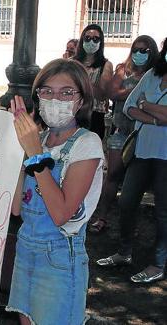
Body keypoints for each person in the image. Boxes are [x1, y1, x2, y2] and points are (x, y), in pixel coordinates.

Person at [6, 59, 104, 324]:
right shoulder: (38, 140)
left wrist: (35, 156)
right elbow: (16, 208)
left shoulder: (87, 144)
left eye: (66, 92)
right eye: (47, 91)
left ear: (81, 100)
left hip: (59, 256)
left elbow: (61, 213)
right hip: (26, 249)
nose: (55, 98)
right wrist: (19, 151)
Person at [96, 37, 167, 284]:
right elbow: (127, 106)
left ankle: (158, 263)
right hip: (142, 152)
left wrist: (145, 105)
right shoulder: (151, 76)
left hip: (165, 158)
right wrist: (156, 117)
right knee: (126, 203)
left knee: (163, 213)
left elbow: (140, 104)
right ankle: (124, 252)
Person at [89, 35, 159, 233]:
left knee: (138, 181)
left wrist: (129, 93)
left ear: (152, 52)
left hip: (145, 135)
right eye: (136, 49)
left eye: (144, 50)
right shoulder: (123, 69)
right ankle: (102, 217)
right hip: (121, 131)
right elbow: (112, 93)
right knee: (112, 175)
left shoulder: (156, 74)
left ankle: (129, 224)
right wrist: (137, 93)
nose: (139, 54)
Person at [73, 24, 113, 140]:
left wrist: (82, 76)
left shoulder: (106, 65)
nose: (91, 42)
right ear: (82, 40)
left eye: (95, 39)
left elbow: (102, 95)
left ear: (101, 42)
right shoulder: (72, 62)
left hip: (94, 115)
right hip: (72, 112)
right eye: (88, 38)